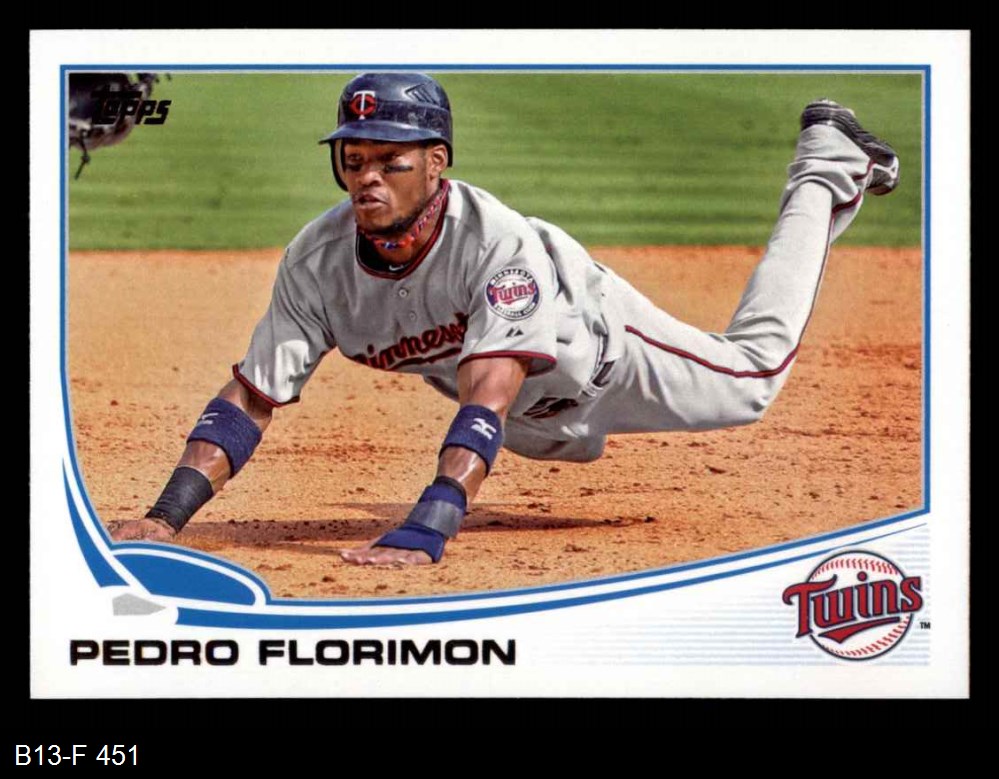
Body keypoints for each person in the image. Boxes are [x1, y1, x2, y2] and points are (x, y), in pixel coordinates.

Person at [106, 72, 900, 566]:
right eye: (353, 158)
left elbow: (488, 386)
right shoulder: (315, 263)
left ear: (436, 163)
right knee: (535, 429)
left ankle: (824, 165)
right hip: (521, 426)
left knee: (752, 377)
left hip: (604, 352)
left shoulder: (495, 244)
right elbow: (251, 397)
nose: (367, 177)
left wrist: (428, 526)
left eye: (391, 159)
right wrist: (165, 516)